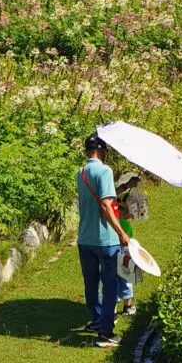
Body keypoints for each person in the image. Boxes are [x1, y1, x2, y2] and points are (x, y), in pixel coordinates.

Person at [76, 133, 130, 347]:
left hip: (84, 237)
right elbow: (106, 205)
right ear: (102, 151)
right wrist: (121, 232)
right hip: (105, 240)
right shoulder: (105, 170)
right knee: (110, 285)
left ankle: (97, 320)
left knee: (91, 283)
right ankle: (106, 334)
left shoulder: (80, 172)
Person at [114, 172, 148, 317]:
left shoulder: (113, 222)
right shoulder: (125, 226)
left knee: (113, 277)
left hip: (113, 248)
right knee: (127, 275)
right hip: (127, 250)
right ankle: (127, 306)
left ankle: (113, 305)